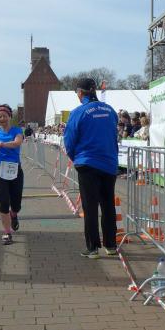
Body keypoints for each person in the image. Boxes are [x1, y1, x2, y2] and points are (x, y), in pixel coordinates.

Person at [63, 78, 119, 259]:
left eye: (77, 93)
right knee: (108, 205)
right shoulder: (110, 110)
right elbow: (114, 136)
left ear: (80, 93)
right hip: (109, 163)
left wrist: (76, 158)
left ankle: (93, 248)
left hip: (87, 164)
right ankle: (110, 245)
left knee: (90, 207)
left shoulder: (78, 112)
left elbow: (69, 141)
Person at [0, 104, 24, 245]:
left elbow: (17, 143)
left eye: (4, 116)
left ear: (9, 116)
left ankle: (14, 214)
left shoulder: (17, 130)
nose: (1, 119)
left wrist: (1, 144)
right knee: (4, 201)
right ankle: (7, 233)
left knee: (16, 203)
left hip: (15, 170)